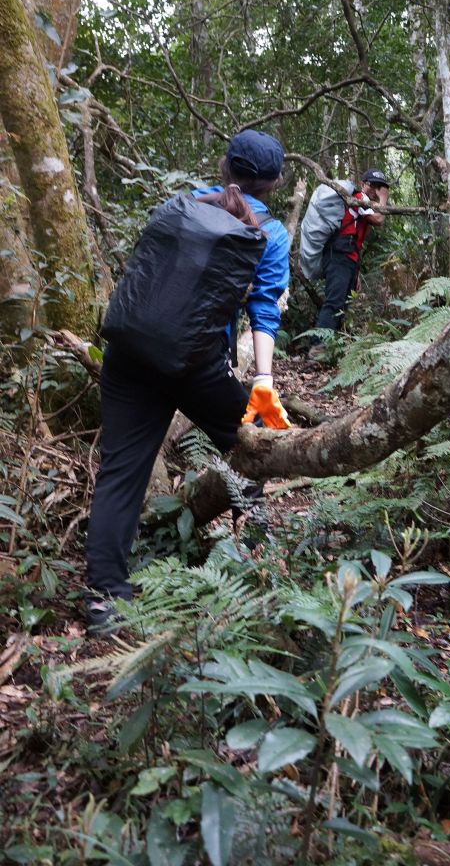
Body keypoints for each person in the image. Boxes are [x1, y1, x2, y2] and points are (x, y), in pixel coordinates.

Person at [85, 129, 291, 630]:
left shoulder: (180, 206)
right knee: (255, 448)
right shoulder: (271, 234)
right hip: (196, 367)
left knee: (120, 473)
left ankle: (103, 599)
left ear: (224, 166)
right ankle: (254, 567)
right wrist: (263, 379)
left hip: (128, 354)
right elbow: (263, 313)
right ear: (273, 184)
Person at [311, 167, 390, 341]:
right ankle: (317, 346)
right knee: (334, 302)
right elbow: (378, 219)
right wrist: (384, 198)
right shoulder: (359, 198)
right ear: (363, 184)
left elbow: (355, 240)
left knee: (342, 305)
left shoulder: (364, 202)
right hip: (339, 255)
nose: (376, 190)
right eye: (373, 185)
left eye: (380, 187)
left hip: (347, 258)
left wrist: (356, 272)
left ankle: (329, 346)